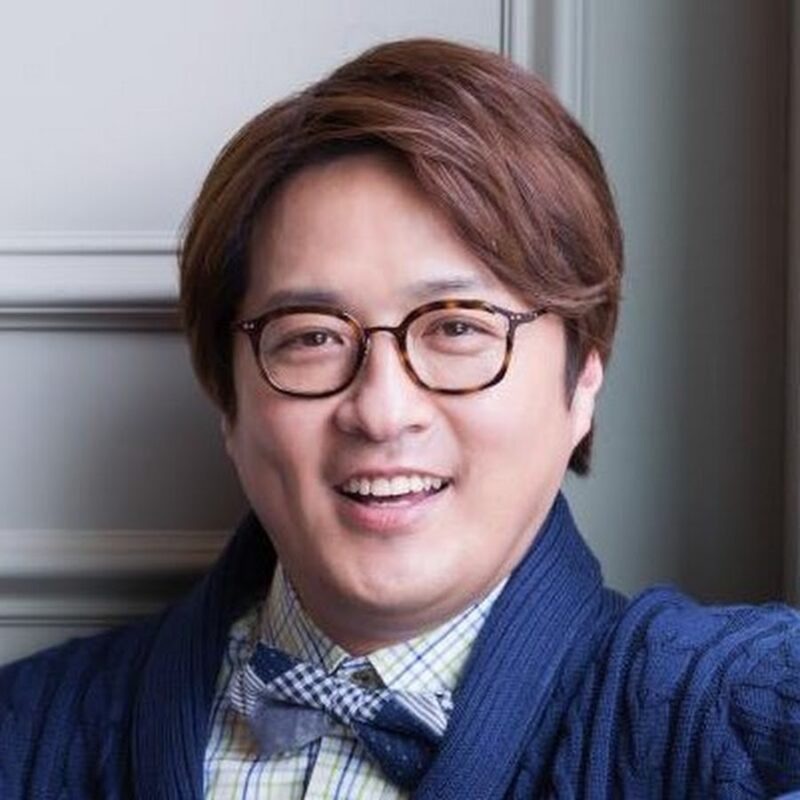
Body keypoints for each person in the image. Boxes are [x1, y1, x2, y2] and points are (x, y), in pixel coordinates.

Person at [1, 37, 798, 800]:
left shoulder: (727, 713)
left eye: (457, 328)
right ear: (228, 401)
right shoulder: (25, 734)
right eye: (312, 337)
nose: (382, 412)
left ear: (584, 374)